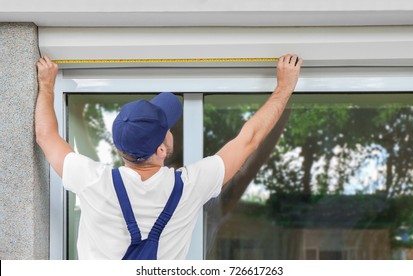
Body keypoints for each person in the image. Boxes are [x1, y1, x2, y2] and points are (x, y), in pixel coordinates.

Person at [35, 54, 302, 259]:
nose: (171, 130)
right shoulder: (189, 187)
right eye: (168, 129)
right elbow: (249, 139)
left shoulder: (92, 180)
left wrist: (47, 85)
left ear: (120, 148)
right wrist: (284, 88)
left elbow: (46, 136)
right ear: (161, 150)